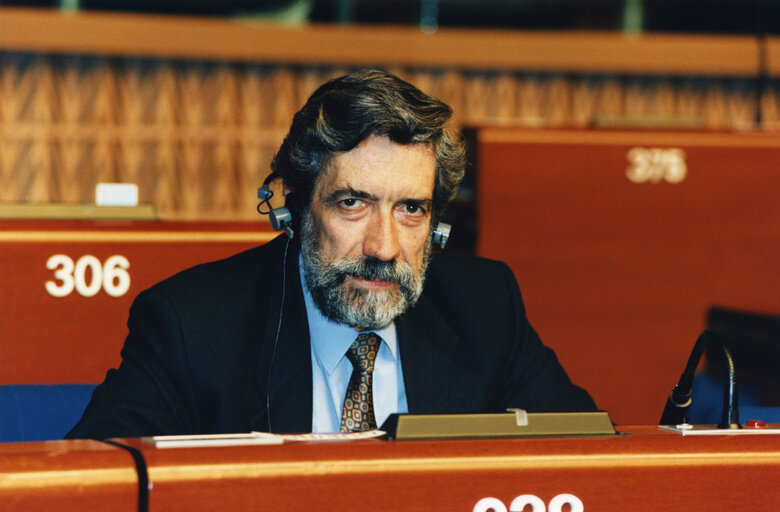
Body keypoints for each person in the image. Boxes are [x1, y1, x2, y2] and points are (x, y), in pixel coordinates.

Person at [67, 69, 595, 439]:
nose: (384, 248)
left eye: (411, 209)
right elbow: (96, 482)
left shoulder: (484, 307)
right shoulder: (192, 324)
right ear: (295, 207)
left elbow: (588, 459)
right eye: (352, 203)